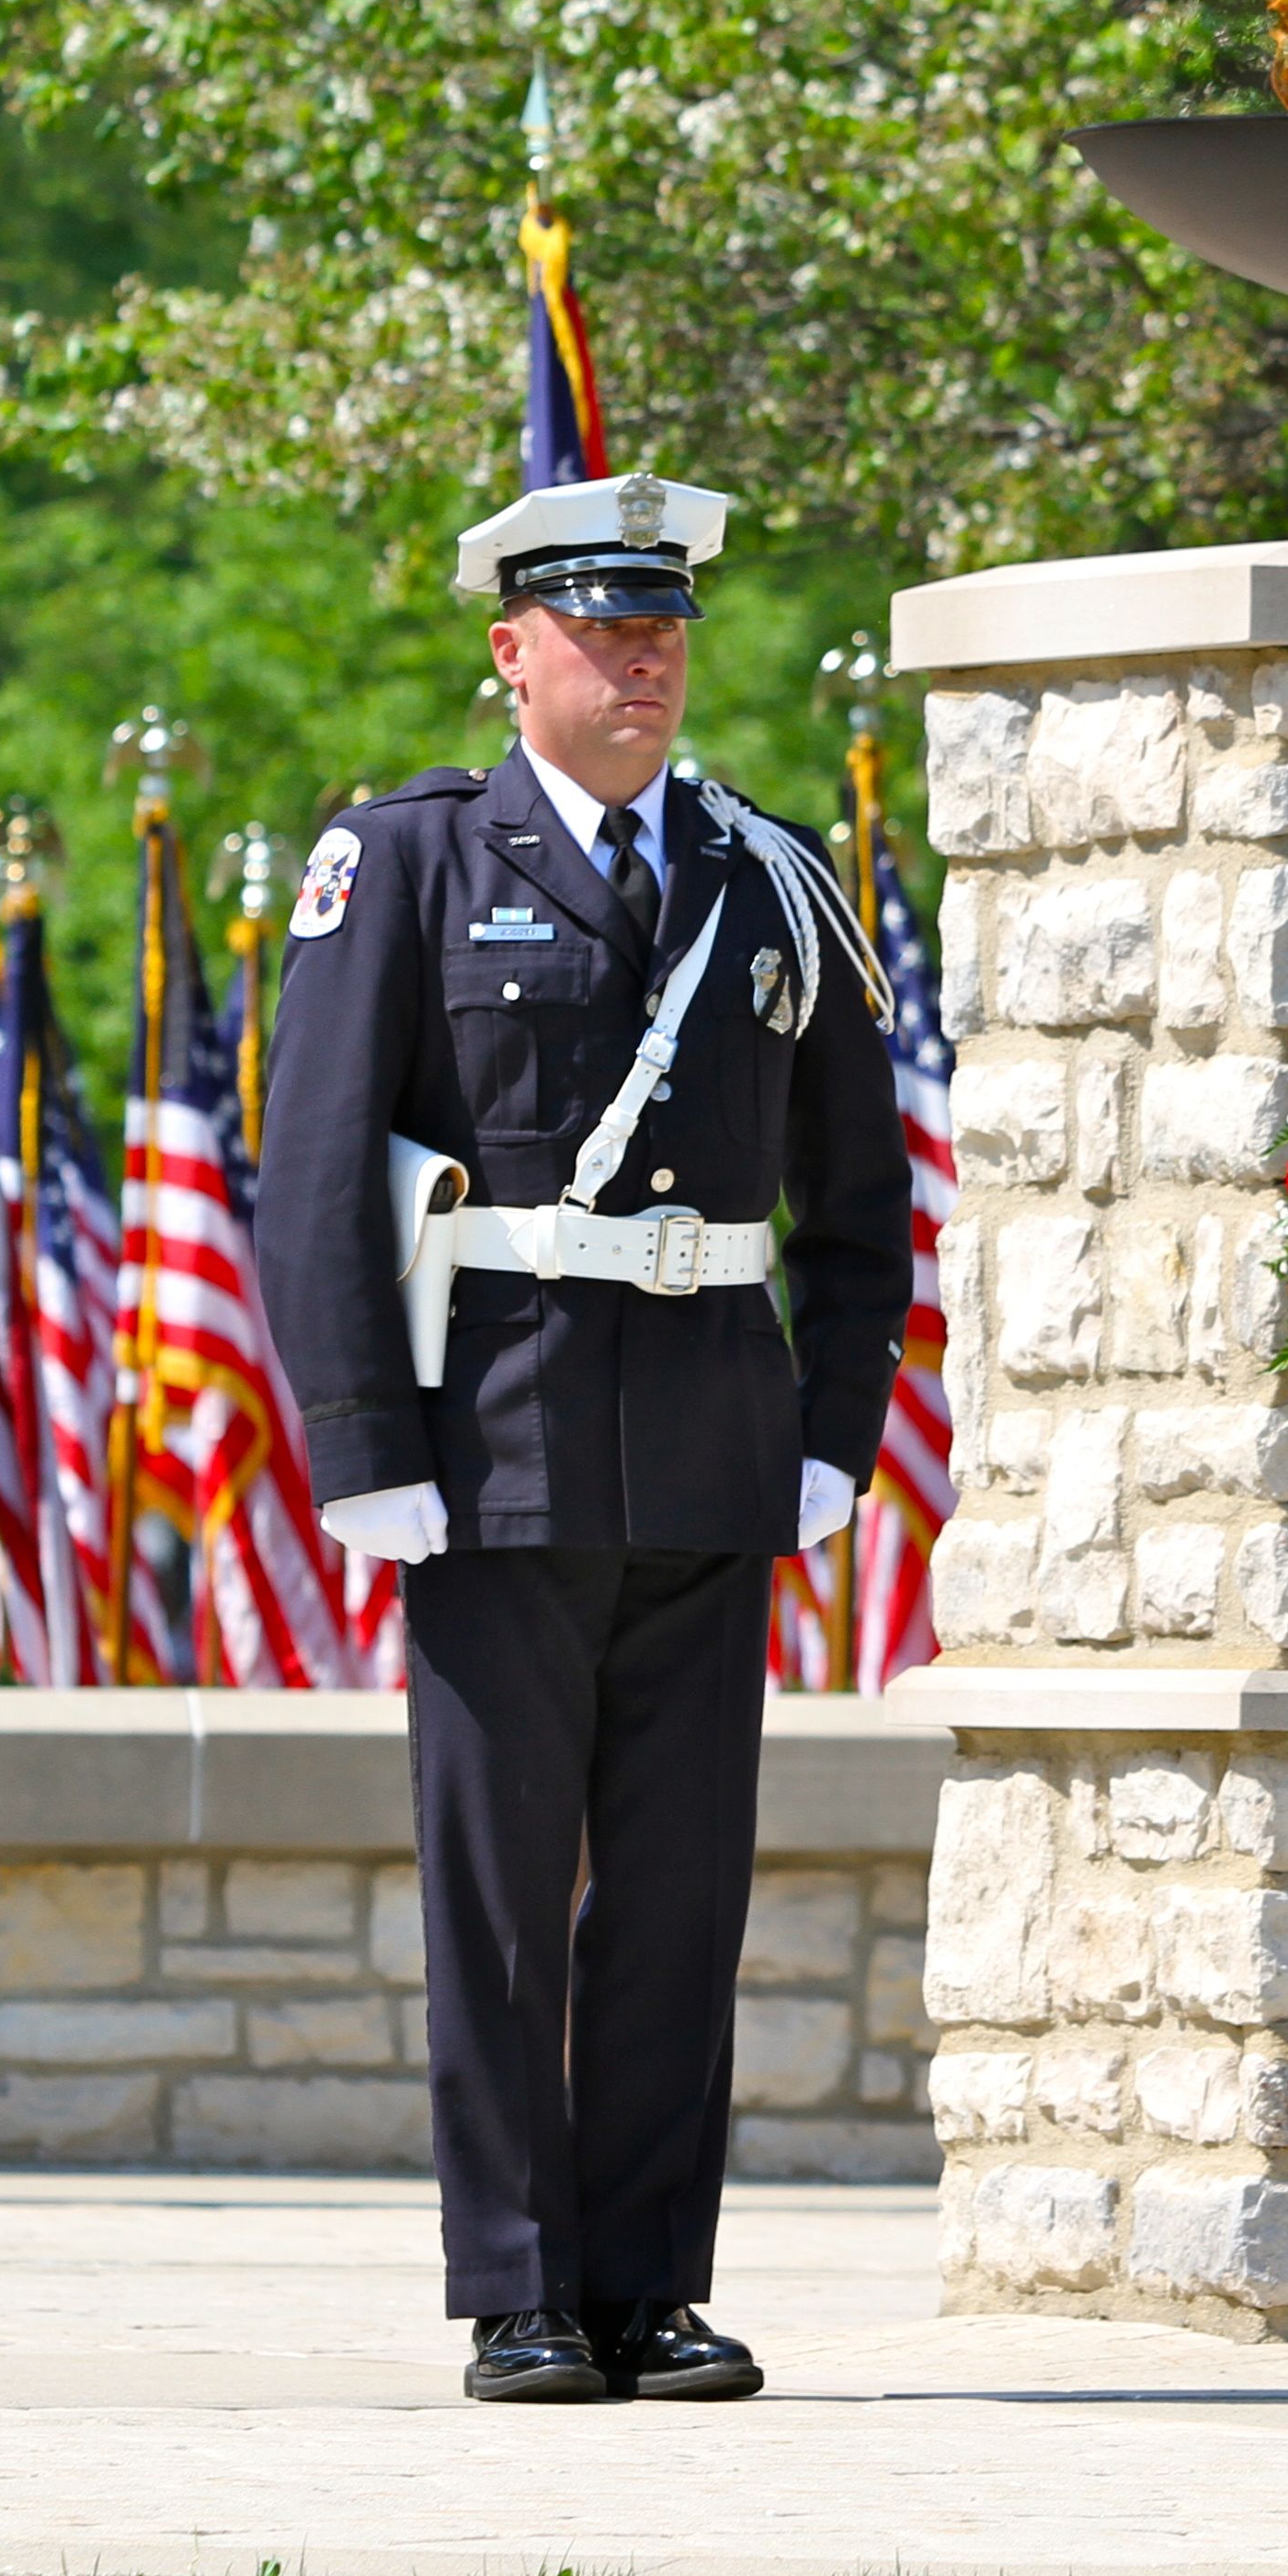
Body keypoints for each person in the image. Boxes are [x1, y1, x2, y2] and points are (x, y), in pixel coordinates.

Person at [255, 466, 910, 2407]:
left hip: (709, 1440)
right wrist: (368, 1442)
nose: (641, 660)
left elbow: (857, 1198)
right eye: (600, 629)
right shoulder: (410, 867)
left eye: (664, 627)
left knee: (681, 1894)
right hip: (494, 1445)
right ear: (510, 653)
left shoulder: (762, 873)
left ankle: (647, 2284)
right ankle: (519, 2286)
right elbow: (310, 1181)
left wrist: (835, 1423)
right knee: (503, 1881)